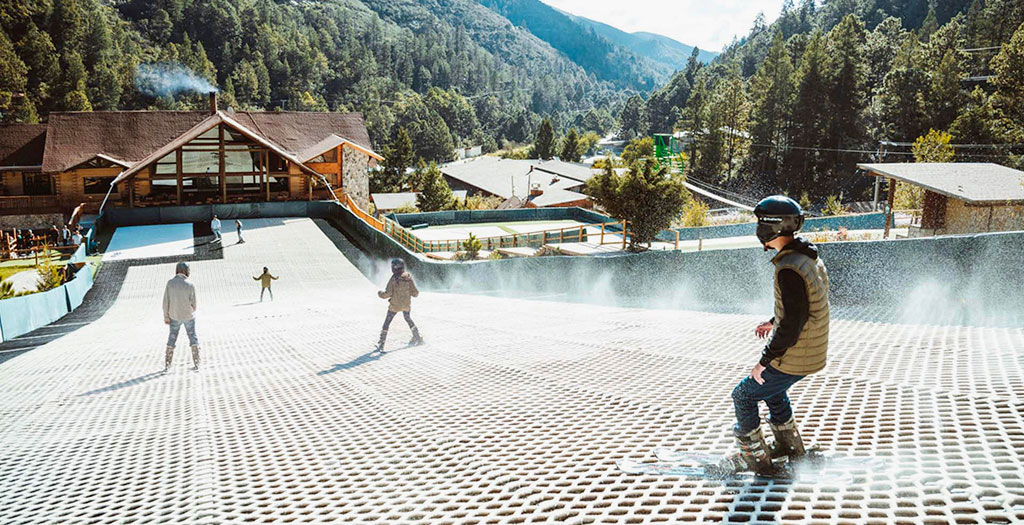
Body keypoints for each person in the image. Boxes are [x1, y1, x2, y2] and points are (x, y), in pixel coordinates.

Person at [724, 195, 829, 475]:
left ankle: (755, 458)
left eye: (760, 223)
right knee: (774, 391)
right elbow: (804, 305)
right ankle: (789, 446)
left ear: (772, 227)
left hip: (796, 353)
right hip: (810, 350)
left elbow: (793, 323)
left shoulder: (788, 268)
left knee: (743, 395)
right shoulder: (806, 257)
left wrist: (764, 361)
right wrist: (773, 321)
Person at [375, 258, 423, 352]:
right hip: (406, 305)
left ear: (394, 268)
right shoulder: (408, 277)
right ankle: (417, 336)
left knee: (387, 322)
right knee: (408, 318)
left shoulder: (394, 278)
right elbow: (415, 293)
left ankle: (381, 343)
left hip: (394, 306)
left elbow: (387, 294)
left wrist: (380, 294)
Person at [162, 261, 200, 372]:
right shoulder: (190, 284)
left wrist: (166, 316)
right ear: (186, 271)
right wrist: (191, 310)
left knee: (172, 337)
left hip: (174, 315)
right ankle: (196, 361)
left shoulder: (170, 283)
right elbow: (194, 303)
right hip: (188, 315)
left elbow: (165, 301)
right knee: (192, 336)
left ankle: (168, 363)